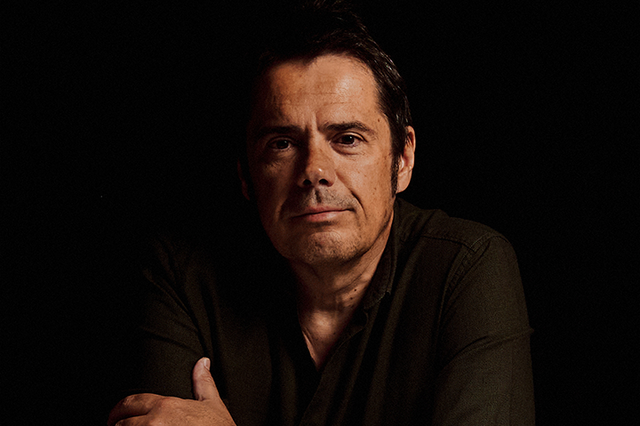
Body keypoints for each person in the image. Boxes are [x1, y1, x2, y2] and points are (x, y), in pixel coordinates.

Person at [107, 1, 534, 425]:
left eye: (347, 139)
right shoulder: (182, 273)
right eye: (282, 144)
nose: (314, 171)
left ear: (402, 160)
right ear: (245, 176)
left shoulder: (466, 267)